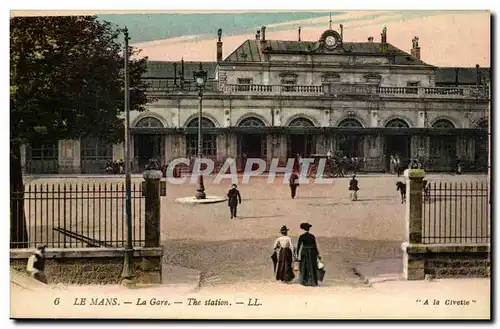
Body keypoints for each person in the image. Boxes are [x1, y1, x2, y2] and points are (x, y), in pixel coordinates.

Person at [296, 223, 320, 287]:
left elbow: (298, 246)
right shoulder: (312, 236)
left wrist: (297, 254)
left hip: (304, 252)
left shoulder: (302, 236)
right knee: (312, 266)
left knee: (304, 266)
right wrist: (317, 254)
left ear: (303, 229)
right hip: (312, 252)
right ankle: (313, 282)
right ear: (309, 229)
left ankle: (305, 281)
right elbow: (315, 246)